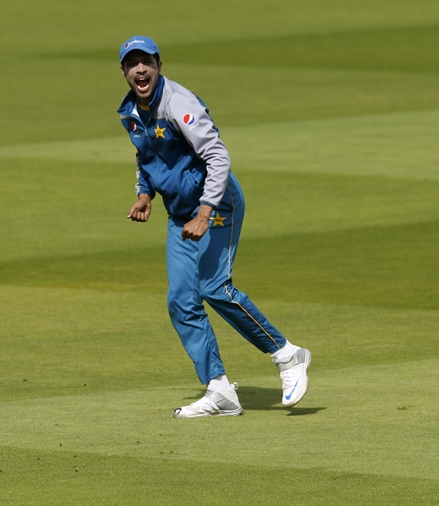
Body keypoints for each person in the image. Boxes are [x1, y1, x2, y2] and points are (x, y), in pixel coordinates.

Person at [117, 35, 311, 418]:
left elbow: (218, 155)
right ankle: (220, 390)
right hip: (180, 212)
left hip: (216, 202)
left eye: (147, 62)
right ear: (123, 71)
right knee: (181, 300)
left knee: (213, 287)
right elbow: (147, 156)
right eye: (132, 63)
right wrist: (144, 194)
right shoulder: (131, 112)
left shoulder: (177, 103)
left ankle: (288, 356)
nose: (140, 70)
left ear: (158, 64)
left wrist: (206, 210)